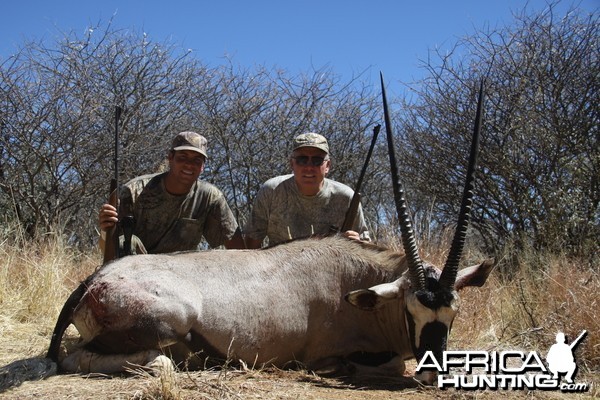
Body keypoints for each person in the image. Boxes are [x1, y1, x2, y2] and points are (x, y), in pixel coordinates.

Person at [99, 131, 246, 254]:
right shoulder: (133, 191)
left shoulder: (210, 197)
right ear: (170, 158)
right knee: (127, 242)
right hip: (137, 270)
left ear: (202, 167)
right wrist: (105, 228)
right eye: (182, 158)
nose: (189, 165)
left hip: (180, 273)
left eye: (197, 160)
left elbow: (237, 248)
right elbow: (107, 247)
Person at [244, 132, 370, 248]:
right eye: (302, 160)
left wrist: (357, 244)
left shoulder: (347, 197)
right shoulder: (271, 191)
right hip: (280, 269)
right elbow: (251, 243)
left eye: (317, 160)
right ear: (292, 164)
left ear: (327, 166)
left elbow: (366, 245)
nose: (309, 167)